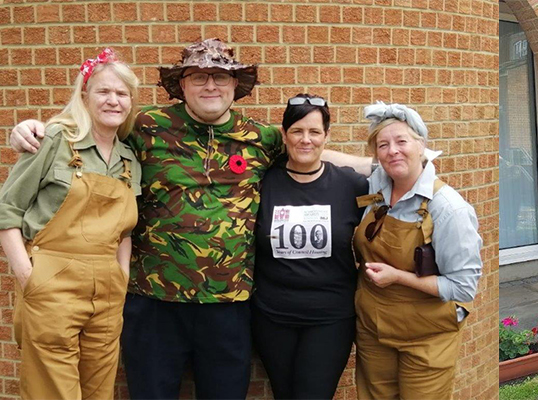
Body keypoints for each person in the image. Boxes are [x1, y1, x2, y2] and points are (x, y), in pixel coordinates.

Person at [7, 38, 372, 398]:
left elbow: (308, 150)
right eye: (198, 76)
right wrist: (30, 127)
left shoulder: (260, 138)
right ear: (182, 85)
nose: (210, 85)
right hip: (153, 302)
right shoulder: (145, 127)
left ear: (235, 86)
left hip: (228, 304)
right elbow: (93, 129)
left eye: (220, 77)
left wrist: (388, 167)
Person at [0, 49, 140, 400]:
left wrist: (121, 275)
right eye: (103, 92)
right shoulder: (52, 140)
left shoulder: (129, 161)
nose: (113, 100)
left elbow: (124, 232)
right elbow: (7, 209)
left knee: (99, 389)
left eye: (122, 94)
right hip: (53, 283)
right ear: (84, 96)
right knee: (53, 392)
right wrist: (28, 275)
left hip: (107, 290)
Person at [352, 102, 483, 399]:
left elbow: (463, 287)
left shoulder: (448, 209)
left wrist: (398, 277)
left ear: (421, 145)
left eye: (401, 141)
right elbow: (340, 161)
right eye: (383, 145)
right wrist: (299, 148)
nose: (392, 150)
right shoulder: (377, 186)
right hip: (374, 331)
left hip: (427, 336)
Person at [252, 94, 369, 399]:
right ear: (285, 135)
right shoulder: (262, 183)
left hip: (330, 317)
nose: (306, 140)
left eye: (315, 132)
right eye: (297, 131)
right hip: (272, 316)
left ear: (327, 137)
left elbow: (400, 179)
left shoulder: (352, 186)